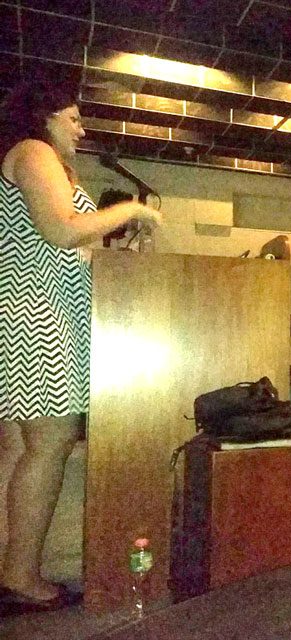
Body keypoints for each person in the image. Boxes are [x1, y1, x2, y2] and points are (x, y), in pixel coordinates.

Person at [0, 80, 161, 611]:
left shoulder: (40, 160)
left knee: (21, 451)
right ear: (42, 117)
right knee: (46, 448)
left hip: (35, 315)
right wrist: (133, 211)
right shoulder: (33, 151)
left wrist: (115, 250)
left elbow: (73, 249)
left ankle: (11, 568)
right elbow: (62, 230)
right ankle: (21, 577)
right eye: (72, 118)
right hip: (38, 323)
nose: (81, 128)